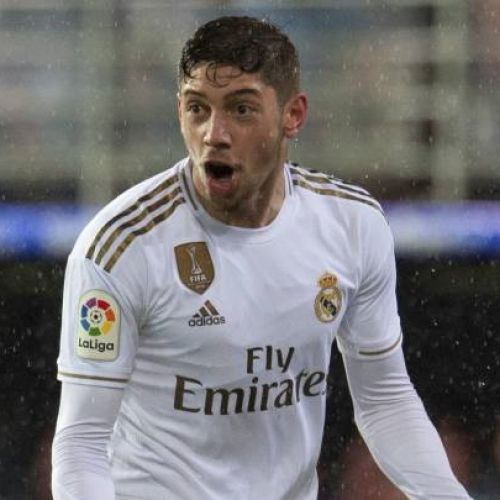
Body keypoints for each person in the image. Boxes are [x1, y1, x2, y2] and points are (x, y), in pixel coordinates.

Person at [51, 15, 471, 499]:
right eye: (197, 108)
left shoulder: (352, 226)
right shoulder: (121, 247)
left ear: (293, 115)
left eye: (241, 109)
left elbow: (385, 400)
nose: (214, 134)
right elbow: (81, 442)